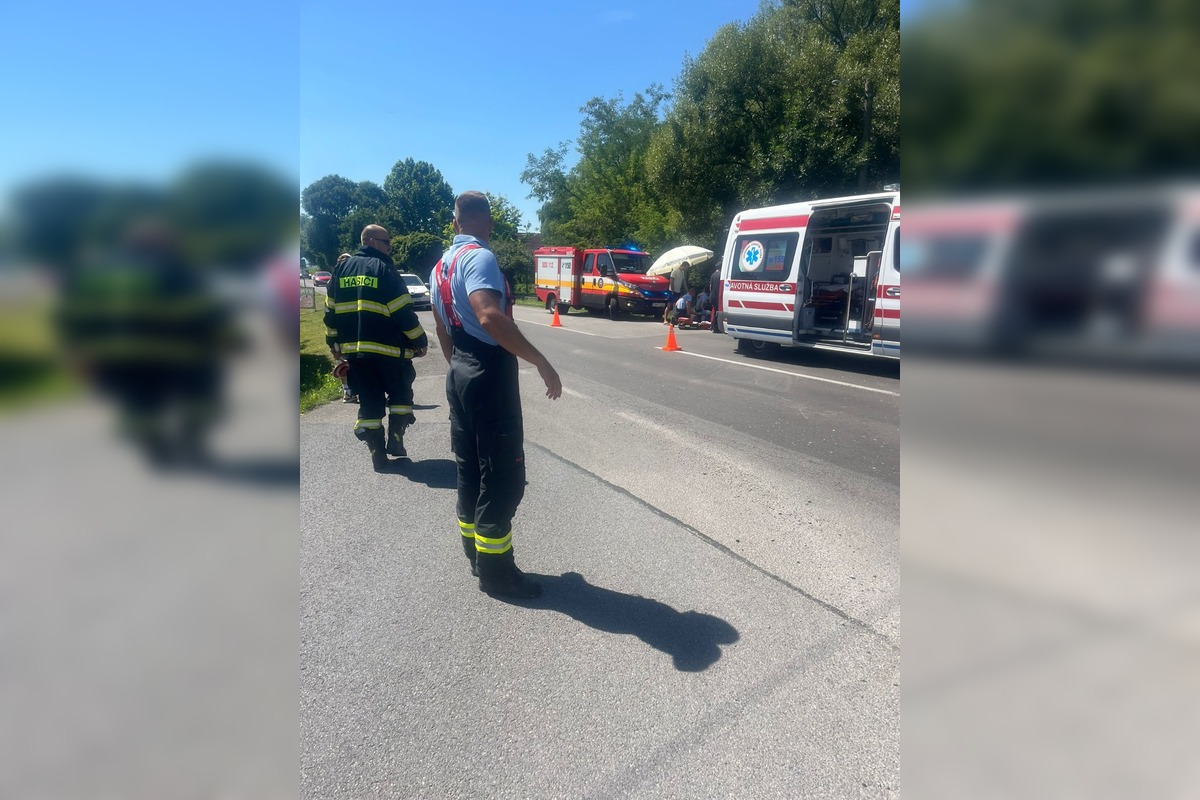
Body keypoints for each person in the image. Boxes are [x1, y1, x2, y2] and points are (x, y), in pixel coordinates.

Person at [432, 191, 562, 600]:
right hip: (488, 374)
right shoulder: (480, 257)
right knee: (503, 477)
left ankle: (476, 556)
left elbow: (441, 328)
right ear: (487, 223)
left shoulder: (439, 267)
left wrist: (459, 369)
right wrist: (540, 361)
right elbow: (488, 314)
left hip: (460, 370)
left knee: (471, 470)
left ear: (455, 224)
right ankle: (497, 574)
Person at [325, 225, 428, 471]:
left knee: (369, 403)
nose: (389, 247)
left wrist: (333, 342)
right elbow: (403, 311)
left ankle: (376, 453)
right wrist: (419, 341)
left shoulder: (341, 269)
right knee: (401, 395)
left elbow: (330, 310)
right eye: (386, 242)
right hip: (390, 352)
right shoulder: (384, 269)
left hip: (356, 354)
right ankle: (396, 438)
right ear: (371, 241)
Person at [330, 253, 359, 403]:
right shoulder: (333, 283)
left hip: (354, 331)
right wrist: (332, 341)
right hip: (344, 332)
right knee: (342, 365)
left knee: (352, 364)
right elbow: (329, 312)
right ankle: (348, 393)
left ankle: (355, 390)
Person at [709, 265, 724, 333]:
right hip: (718, 296)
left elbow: (710, 286)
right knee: (718, 311)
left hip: (712, 295)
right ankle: (716, 327)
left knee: (715, 311)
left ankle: (713, 325)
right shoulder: (721, 275)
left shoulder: (713, 275)